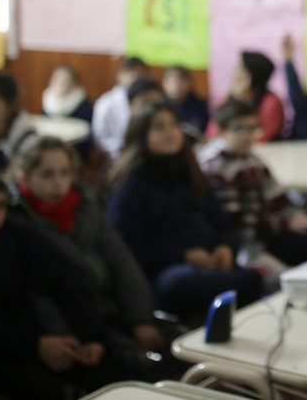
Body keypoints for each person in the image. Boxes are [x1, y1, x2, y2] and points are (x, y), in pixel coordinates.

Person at [0, 162, 125, 398]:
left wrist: (90, 336)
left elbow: (67, 277)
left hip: (38, 338)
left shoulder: (14, 233)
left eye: (0, 206)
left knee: (111, 373)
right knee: (50, 390)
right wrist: (34, 344)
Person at [9, 137, 165, 362]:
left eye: (65, 173)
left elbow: (120, 259)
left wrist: (140, 318)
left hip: (111, 307)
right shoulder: (20, 223)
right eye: (47, 174)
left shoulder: (83, 204)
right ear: (24, 177)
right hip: (74, 327)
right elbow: (38, 293)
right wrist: (76, 337)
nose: (59, 183)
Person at [105, 101, 263, 318]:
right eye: (159, 127)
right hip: (165, 272)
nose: (170, 133)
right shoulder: (131, 184)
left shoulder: (189, 171)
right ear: (142, 135)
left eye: (174, 125)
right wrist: (183, 255)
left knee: (251, 279)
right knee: (187, 282)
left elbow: (221, 221)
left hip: (210, 262)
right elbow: (127, 248)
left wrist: (225, 246)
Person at [198, 99, 307, 268]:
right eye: (240, 129)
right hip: (248, 245)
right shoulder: (216, 167)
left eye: (254, 128)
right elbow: (237, 223)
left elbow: (277, 195)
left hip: (266, 230)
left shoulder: (250, 158)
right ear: (221, 130)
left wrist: (294, 216)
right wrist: (283, 223)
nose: (249, 136)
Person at [93, 56, 148, 160]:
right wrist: (121, 148)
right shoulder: (105, 102)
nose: (135, 77)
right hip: (116, 156)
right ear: (119, 75)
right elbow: (99, 137)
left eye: (140, 73)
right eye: (130, 72)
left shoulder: (150, 100)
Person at [224, 50, 286, 142]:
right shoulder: (230, 97)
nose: (233, 73)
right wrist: (231, 101)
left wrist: (240, 102)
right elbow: (213, 133)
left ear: (250, 76)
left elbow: (261, 137)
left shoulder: (271, 102)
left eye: (238, 68)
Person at [163, 65, 210, 139]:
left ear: (189, 83)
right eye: (173, 81)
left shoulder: (200, 106)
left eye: (182, 80)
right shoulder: (160, 107)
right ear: (164, 83)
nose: (177, 85)